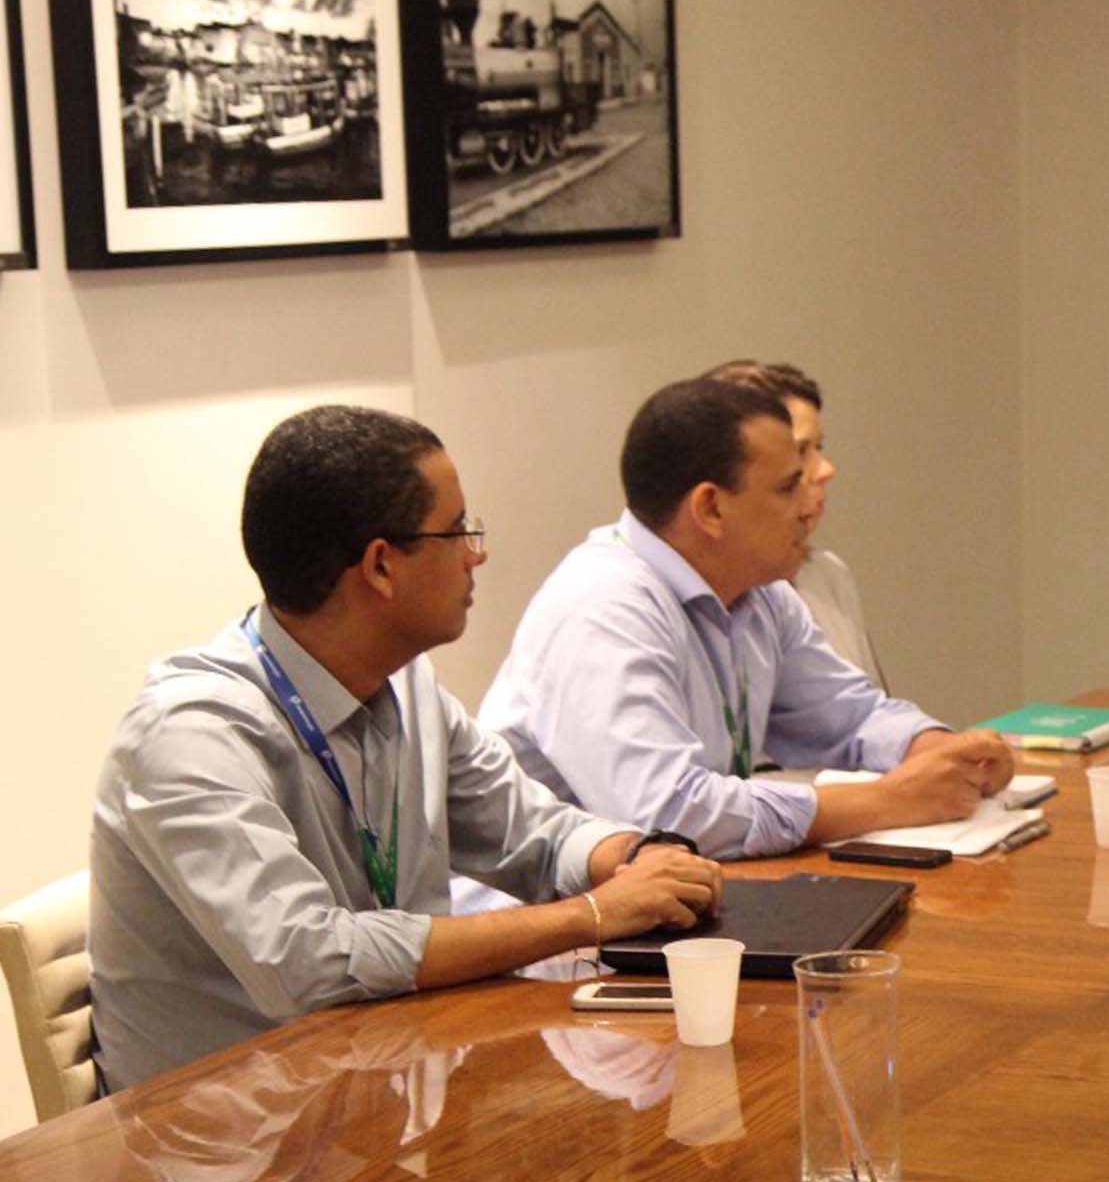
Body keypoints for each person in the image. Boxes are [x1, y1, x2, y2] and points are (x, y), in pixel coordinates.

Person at [89, 406, 722, 1091]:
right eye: (458, 532)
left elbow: (528, 831)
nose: (476, 554)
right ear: (381, 566)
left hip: (380, 1093)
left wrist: (634, 860)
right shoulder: (190, 736)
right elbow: (309, 961)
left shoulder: (406, 686)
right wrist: (591, 917)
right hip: (228, 1150)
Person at [479, 376, 1011, 859]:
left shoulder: (759, 592)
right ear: (710, 509)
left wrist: (944, 754)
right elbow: (665, 817)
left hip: (671, 908)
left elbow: (848, 715)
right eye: (787, 488)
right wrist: (883, 801)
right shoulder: (603, 606)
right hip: (549, 939)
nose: (810, 506)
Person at [704, 358, 889, 689]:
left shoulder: (828, 575)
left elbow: (872, 718)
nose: (826, 470)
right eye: (801, 452)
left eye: (819, 447)